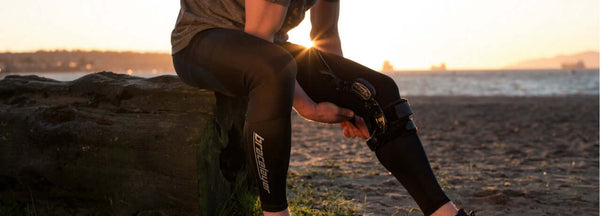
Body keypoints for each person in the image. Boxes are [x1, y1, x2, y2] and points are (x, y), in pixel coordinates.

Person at [171, 0, 473, 215]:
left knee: (379, 91)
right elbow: (258, 38)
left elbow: (326, 35)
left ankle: (442, 212)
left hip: (271, 50)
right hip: (202, 41)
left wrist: (345, 96)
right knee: (274, 69)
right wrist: (309, 106)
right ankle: (275, 213)